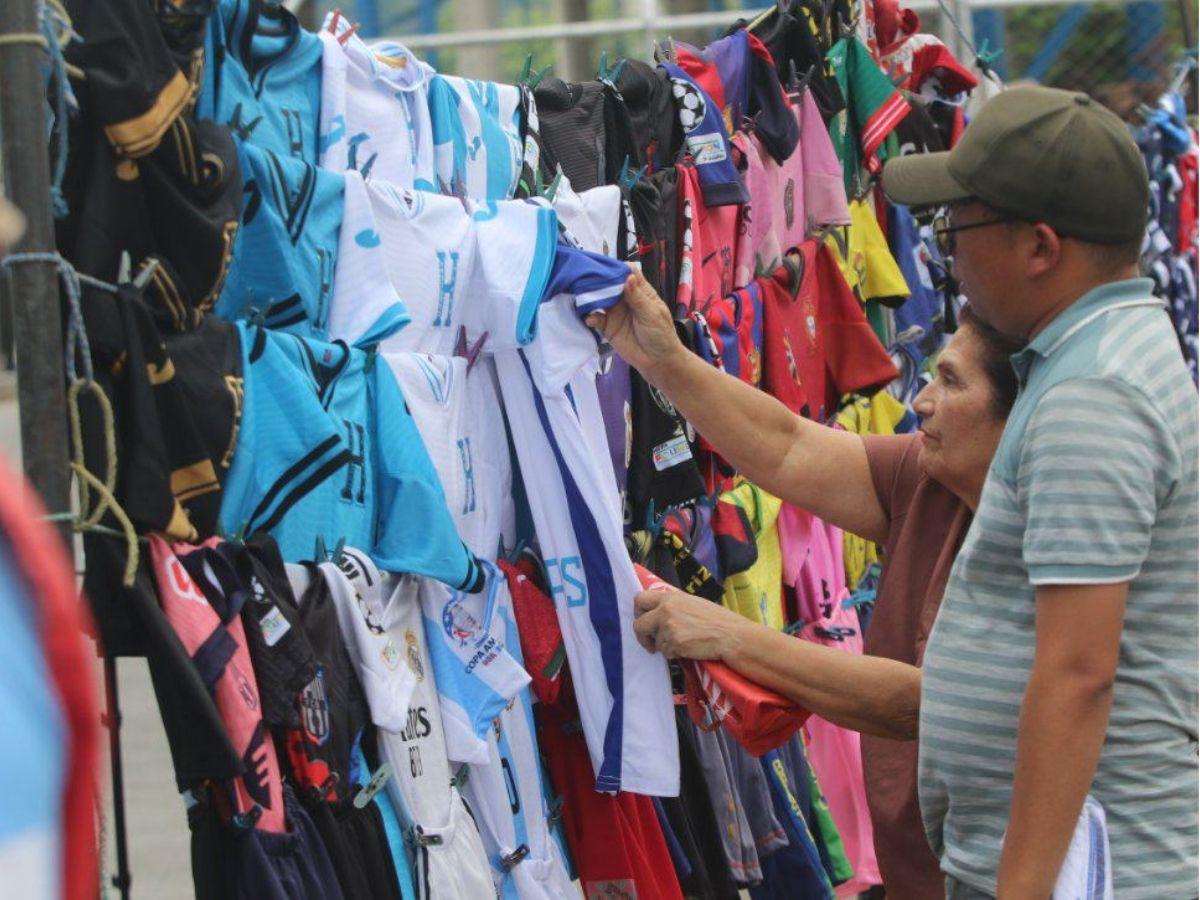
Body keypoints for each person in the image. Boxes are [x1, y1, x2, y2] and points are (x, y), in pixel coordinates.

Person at [595, 85, 1199, 898]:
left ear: (1042, 248)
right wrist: (665, 357)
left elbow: (1076, 675)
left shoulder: (1090, 399)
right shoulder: (1088, 367)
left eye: (959, 227)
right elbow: (790, 447)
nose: (944, 252)